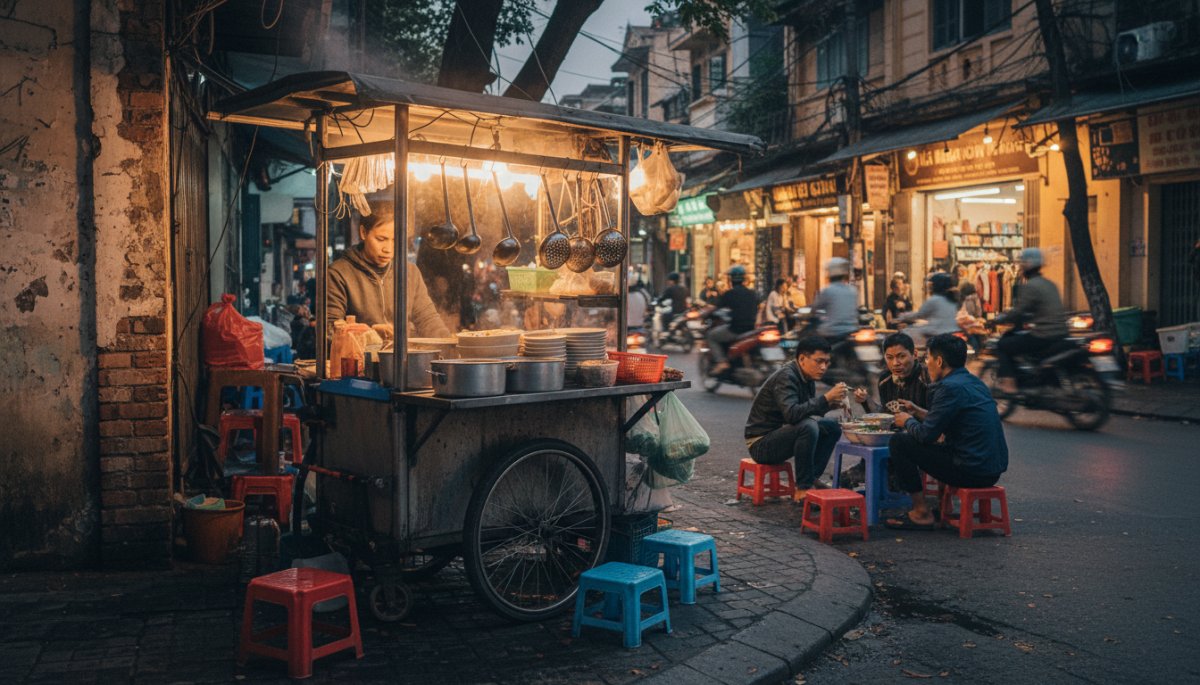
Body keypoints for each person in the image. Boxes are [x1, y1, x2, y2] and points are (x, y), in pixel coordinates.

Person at [884, 334, 1008, 530]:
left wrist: (907, 420)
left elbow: (927, 435)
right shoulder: (973, 382)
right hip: (991, 468)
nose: (927, 363)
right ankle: (930, 508)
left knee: (900, 442)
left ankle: (921, 512)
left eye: (928, 358)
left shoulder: (948, 388)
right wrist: (917, 411)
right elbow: (942, 420)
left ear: (939, 361)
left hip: (971, 470)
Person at [327, 206, 452, 339]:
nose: (388, 249)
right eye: (381, 239)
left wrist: (449, 344)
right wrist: (370, 334)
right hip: (360, 358)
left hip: (402, 359)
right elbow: (329, 330)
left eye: (395, 241)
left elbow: (428, 319)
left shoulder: (409, 273)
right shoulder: (338, 273)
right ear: (363, 232)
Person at [745, 336, 846, 500]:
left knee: (832, 426)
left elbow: (804, 411)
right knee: (808, 426)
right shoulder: (787, 376)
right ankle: (803, 488)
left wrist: (830, 404)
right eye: (819, 361)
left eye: (827, 363)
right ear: (802, 358)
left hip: (781, 435)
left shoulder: (808, 377)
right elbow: (792, 415)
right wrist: (825, 398)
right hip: (760, 444)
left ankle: (811, 477)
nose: (823, 367)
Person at [992, 248, 1068, 394]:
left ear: (1028, 265)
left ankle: (1009, 385)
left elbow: (1019, 311)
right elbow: (1036, 309)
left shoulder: (1031, 286)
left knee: (1003, 345)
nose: (1020, 267)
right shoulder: (1050, 284)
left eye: (1022, 264)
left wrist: (1001, 319)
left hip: (1044, 335)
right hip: (1060, 332)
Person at [853, 332, 930, 413]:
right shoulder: (885, 380)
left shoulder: (928, 378)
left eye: (901, 356)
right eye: (889, 358)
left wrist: (913, 414)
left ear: (914, 354)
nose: (895, 363)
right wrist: (866, 400)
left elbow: (937, 418)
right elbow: (885, 414)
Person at [705, 265, 759, 374]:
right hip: (751, 329)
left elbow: (715, 308)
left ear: (731, 280)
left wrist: (704, 315)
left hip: (736, 329)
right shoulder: (752, 293)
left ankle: (721, 362)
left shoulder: (729, 294)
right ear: (744, 279)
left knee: (711, 336)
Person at [899, 272, 959, 346]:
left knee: (906, 331)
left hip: (937, 332)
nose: (930, 288)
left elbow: (920, 315)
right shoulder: (953, 299)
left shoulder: (935, 299)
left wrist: (902, 316)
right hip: (953, 330)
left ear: (937, 286)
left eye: (931, 286)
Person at [810, 258, 859, 340]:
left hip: (832, 332)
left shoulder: (828, 291)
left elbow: (815, 308)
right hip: (851, 330)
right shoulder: (852, 290)